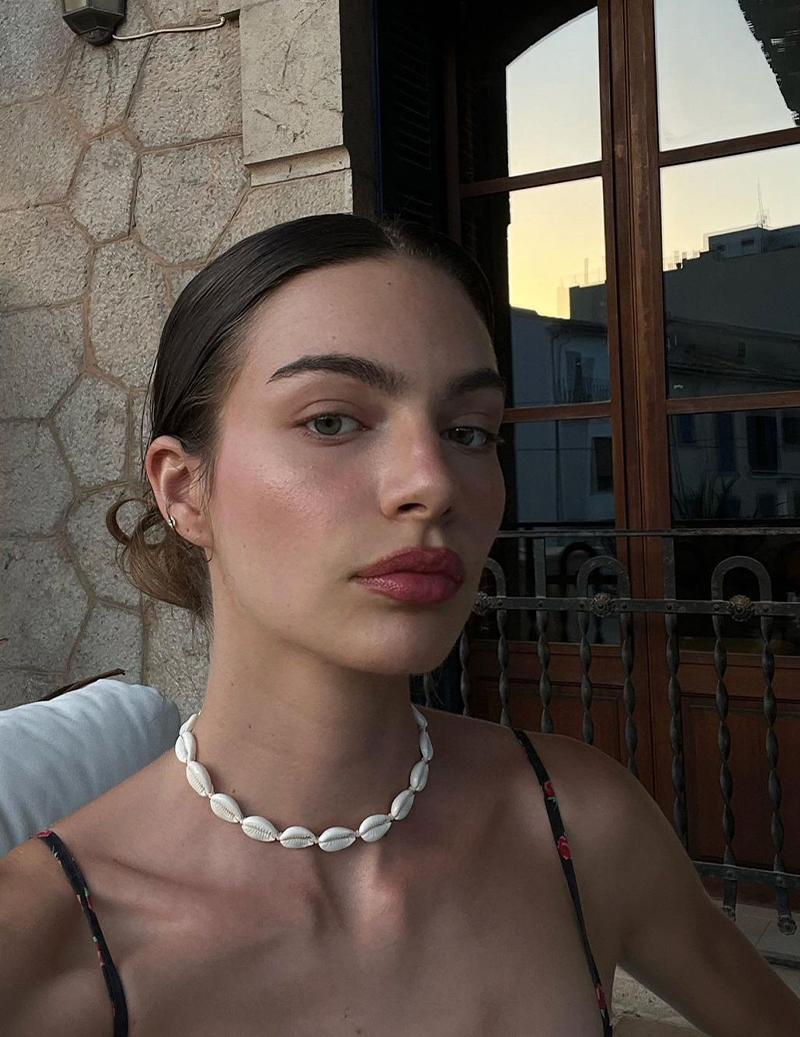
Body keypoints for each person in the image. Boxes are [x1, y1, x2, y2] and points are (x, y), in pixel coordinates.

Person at [2, 213, 799, 1037]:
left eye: (468, 432)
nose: (433, 482)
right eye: (332, 420)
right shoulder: (38, 944)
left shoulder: (578, 821)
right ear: (183, 490)